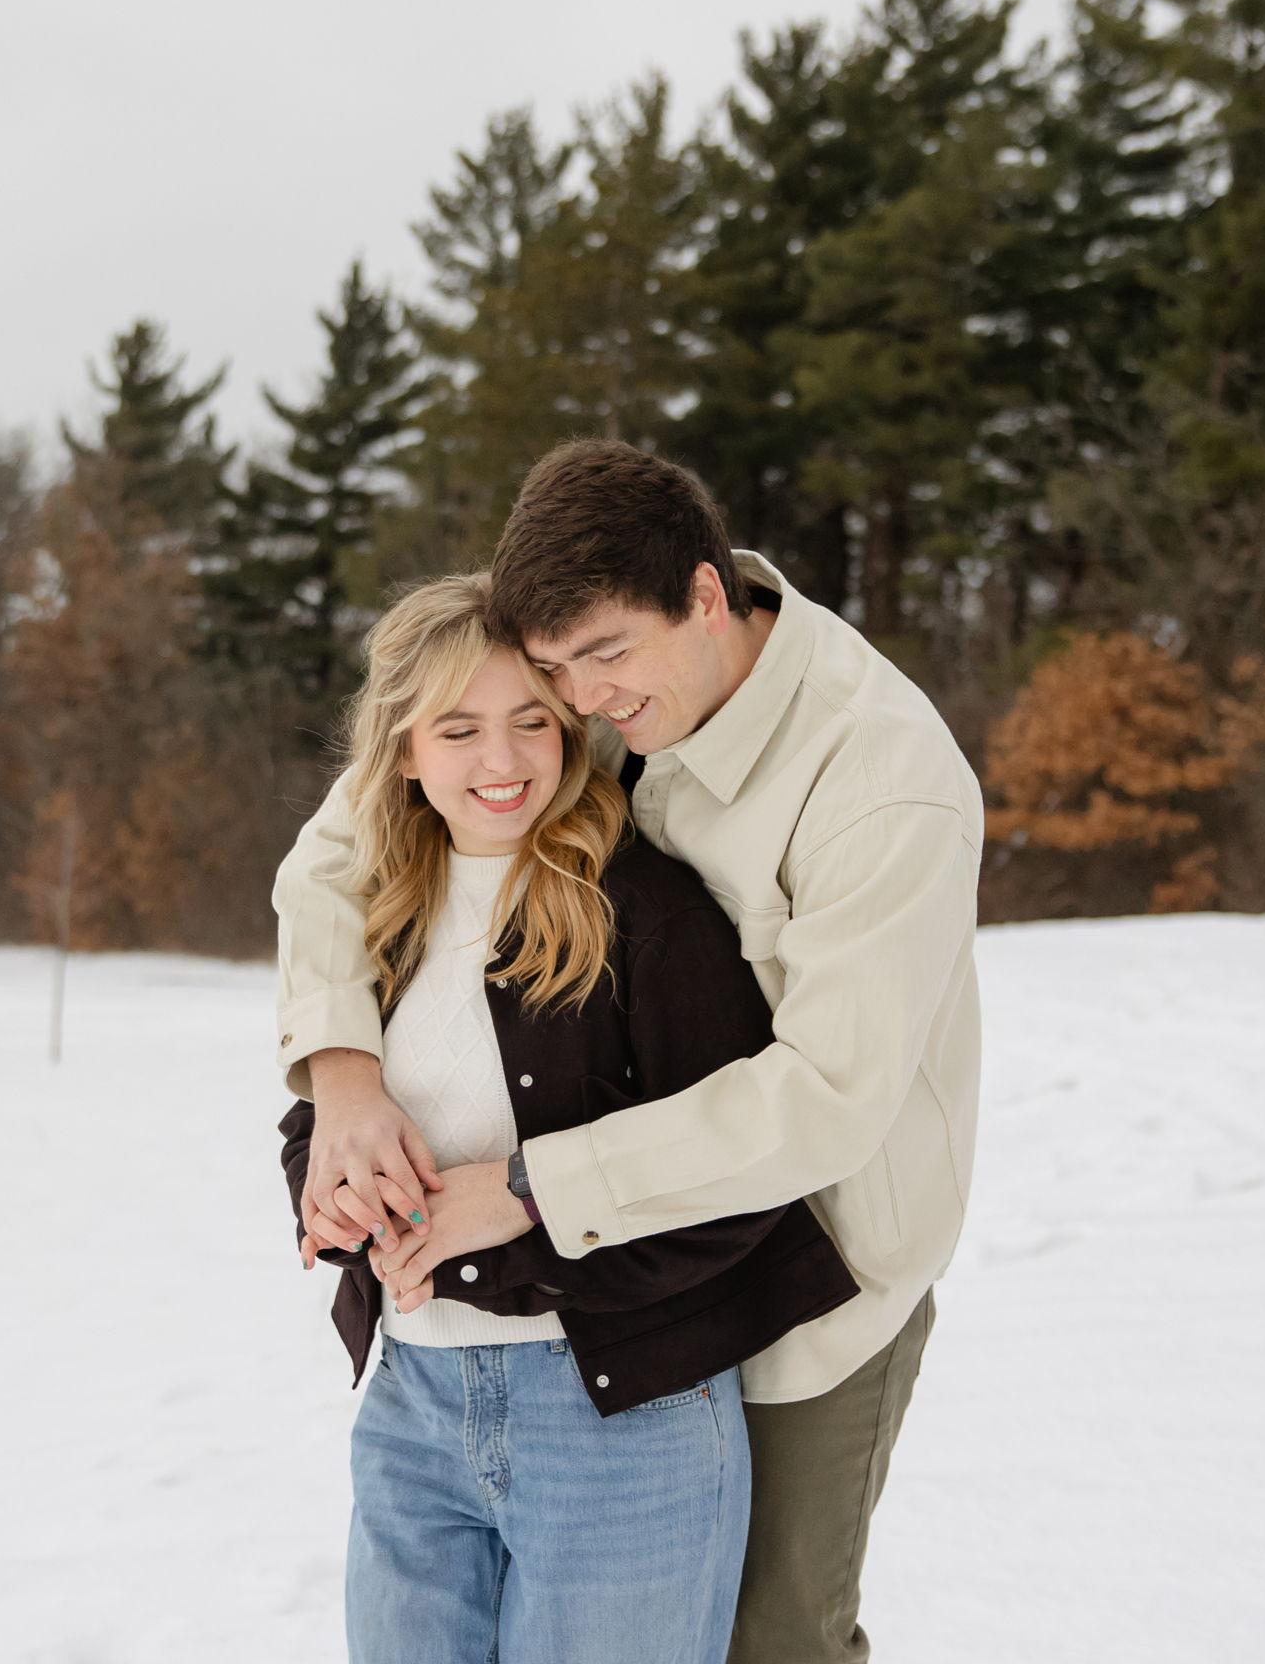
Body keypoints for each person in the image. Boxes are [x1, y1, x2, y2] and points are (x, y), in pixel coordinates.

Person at [276, 441, 983, 1664]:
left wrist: (529, 1186)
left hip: (819, 1264)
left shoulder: (880, 778)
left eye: (600, 659)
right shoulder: (589, 682)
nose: (580, 703)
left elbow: (826, 1096)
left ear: (707, 598)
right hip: (601, 1284)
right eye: (557, 671)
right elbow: (340, 850)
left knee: (772, 1643)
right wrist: (340, 1073)